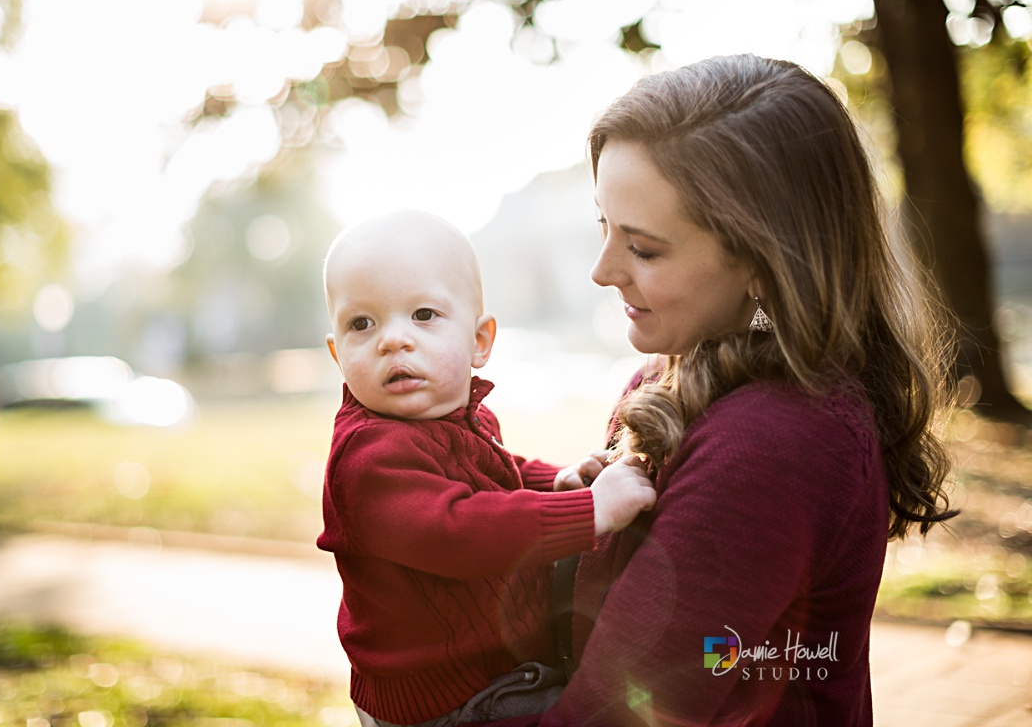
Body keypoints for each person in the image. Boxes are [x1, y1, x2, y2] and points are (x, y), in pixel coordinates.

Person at [490, 54, 958, 726]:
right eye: (603, 225)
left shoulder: (773, 443)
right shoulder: (668, 375)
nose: (601, 271)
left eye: (644, 249)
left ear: (765, 266)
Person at [317, 209, 659, 727]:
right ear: (338, 353)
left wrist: (559, 479)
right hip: (445, 702)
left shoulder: (455, 418)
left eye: (424, 315)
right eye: (361, 324)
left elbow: (499, 469)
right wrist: (589, 510)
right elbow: (459, 530)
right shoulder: (369, 459)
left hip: (484, 673)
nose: (393, 339)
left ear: (480, 341)